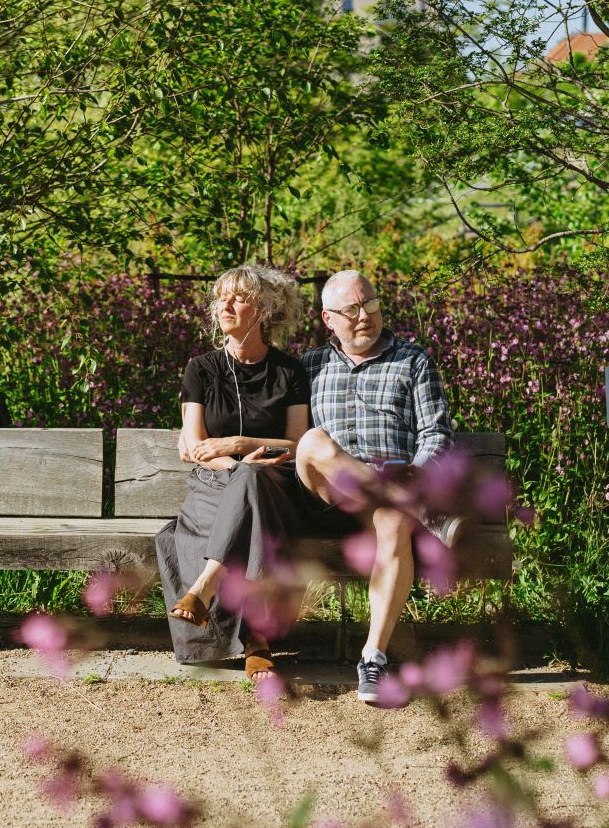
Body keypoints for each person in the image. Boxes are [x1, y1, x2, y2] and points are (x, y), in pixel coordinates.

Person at [294, 270, 460, 703]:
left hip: (390, 493)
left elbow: (437, 436)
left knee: (391, 516)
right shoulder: (308, 365)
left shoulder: (414, 360)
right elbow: (288, 435)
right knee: (314, 441)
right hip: (326, 495)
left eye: (370, 304)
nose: (364, 316)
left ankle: (374, 657)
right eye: (351, 310)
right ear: (329, 318)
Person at [155, 263, 310, 682]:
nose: (225, 304)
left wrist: (239, 446)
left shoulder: (290, 372)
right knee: (247, 479)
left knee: (255, 478)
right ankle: (257, 638)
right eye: (221, 296)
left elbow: (297, 445)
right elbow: (195, 447)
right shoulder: (200, 369)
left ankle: (204, 587)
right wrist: (237, 464)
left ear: (264, 309)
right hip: (213, 485)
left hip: (275, 485)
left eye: (238, 297)